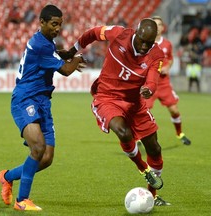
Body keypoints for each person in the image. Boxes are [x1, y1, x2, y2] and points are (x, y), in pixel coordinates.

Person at [63, 18, 170, 206]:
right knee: (122, 131)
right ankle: (143, 169)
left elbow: (153, 80)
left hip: (135, 103)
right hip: (107, 97)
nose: (145, 46)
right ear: (136, 33)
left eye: (149, 42)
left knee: (155, 148)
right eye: (142, 40)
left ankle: (152, 195)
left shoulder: (156, 54)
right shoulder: (119, 34)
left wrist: (149, 90)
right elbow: (93, 33)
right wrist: (72, 51)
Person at [0, 5, 86, 211]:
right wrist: (77, 58)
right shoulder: (40, 45)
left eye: (60, 24)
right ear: (42, 22)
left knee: (46, 158)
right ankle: (22, 201)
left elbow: (53, 58)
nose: (57, 28)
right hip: (25, 99)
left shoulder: (46, 42)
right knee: (37, 148)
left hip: (43, 102)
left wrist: (61, 54)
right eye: (54, 24)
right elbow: (65, 70)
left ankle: (6, 176)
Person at [145, 16, 191, 145]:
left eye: (159, 24)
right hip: (149, 83)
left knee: (174, 110)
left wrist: (167, 67)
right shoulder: (145, 43)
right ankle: (137, 138)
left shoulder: (167, 44)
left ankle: (179, 133)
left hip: (164, 83)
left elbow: (170, 58)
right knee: (143, 112)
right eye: (155, 24)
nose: (157, 27)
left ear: (163, 27)